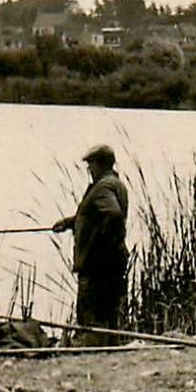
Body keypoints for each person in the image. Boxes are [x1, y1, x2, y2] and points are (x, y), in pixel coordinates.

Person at [51, 144, 129, 340]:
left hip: (97, 265)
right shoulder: (115, 184)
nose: (89, 169)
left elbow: (113, 214)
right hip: (110, 262)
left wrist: (100, 244)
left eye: (91, 164)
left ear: (101, 164)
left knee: (90, 314)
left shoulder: (103, 187)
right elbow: (97, 216)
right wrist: (70, 223)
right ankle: (109, 348)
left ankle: (91, 349)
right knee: (109, 313)